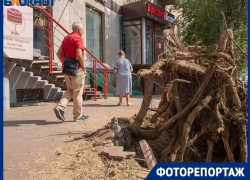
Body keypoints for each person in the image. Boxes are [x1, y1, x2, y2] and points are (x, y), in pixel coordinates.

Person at [54, 22, 89, 122]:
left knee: (70, 90)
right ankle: (78, 116)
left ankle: (60, 107)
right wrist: (83, 67)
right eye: (82, 30)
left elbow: (58, 53)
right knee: (77, 92)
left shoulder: (66, 38)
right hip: (77, 69)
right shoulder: (78, 38)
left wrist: (65, 63)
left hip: (67, 69)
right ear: (78, 30)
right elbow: (79, 54)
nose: (83, 32)